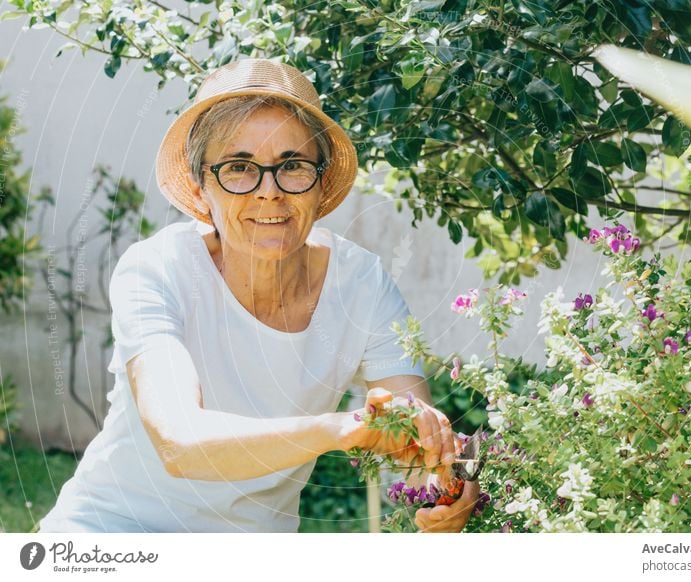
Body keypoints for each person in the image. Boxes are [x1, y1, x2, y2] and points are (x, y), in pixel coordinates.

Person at [37, 58, 478, 533]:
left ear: (321, 182)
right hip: (111, 533)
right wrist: (339, 429)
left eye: (292, 166)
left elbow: (418, 438)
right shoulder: (159, 269)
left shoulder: (362, 283)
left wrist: (446, 487)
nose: (269, 192)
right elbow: (179, 441)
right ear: (200, 187)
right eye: (239, 168)